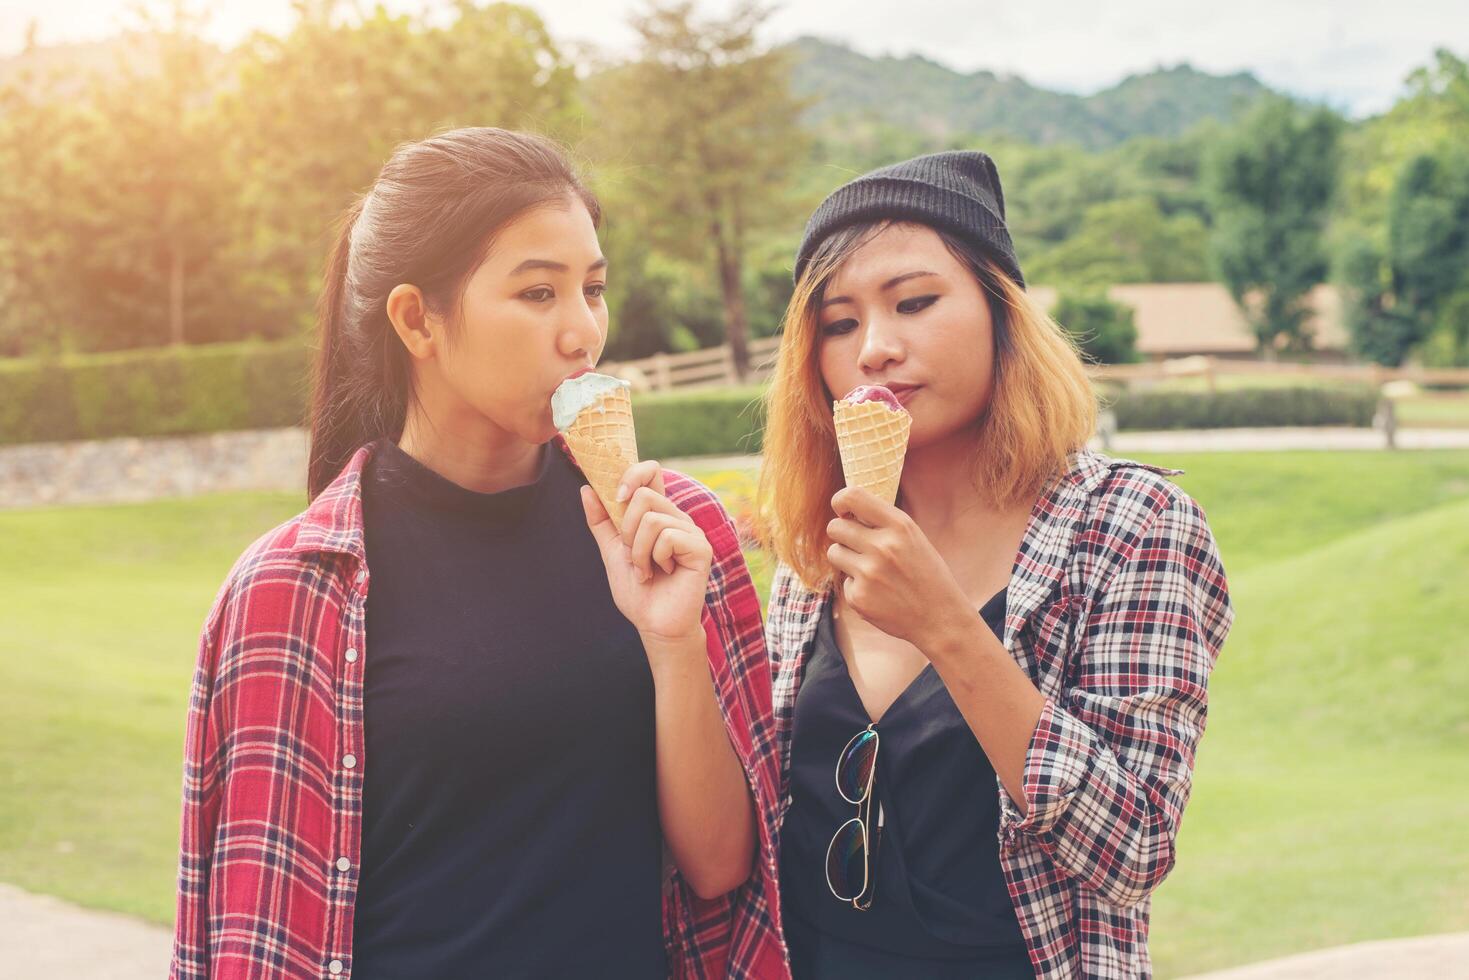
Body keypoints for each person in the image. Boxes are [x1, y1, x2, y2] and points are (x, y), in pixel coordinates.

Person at [170, 127, 787, 979]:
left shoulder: (673, 535)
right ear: (417, 320)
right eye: (538, 294)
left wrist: (674, 642)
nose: (582, 334)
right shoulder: (288, 591)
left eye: (593, 289)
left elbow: (721, 869)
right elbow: (257, 934)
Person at [757, 151, 1235, 978]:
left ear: (1000, 311)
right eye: (838, 323)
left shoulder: (1130, 525)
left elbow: (1132, 849)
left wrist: (949, 629)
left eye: (914, 302)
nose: (874, 347)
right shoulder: (813, 550)